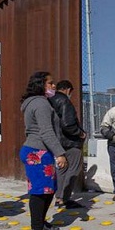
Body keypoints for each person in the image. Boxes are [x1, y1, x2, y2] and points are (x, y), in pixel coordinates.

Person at [20, 71, 68, 230]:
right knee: (41, 191)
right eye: (50, 83)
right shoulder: (41, 104)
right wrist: (60, 153)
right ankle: (37, 229)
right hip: (38, 151)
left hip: (36, 150)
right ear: (41, 85)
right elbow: (46, 132)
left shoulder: (35, 103)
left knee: (47, 190)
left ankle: (40, 222)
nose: (54, 86)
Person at [47, 80, 86, 209]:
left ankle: (59, 197)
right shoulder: (64, 101)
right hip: (69, 142)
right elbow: (68, 123)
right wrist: (80, 133)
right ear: (68, 90)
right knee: (73, 169)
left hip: (56, 142)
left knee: (61, 170)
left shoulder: (49, 100)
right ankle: (64, 198)